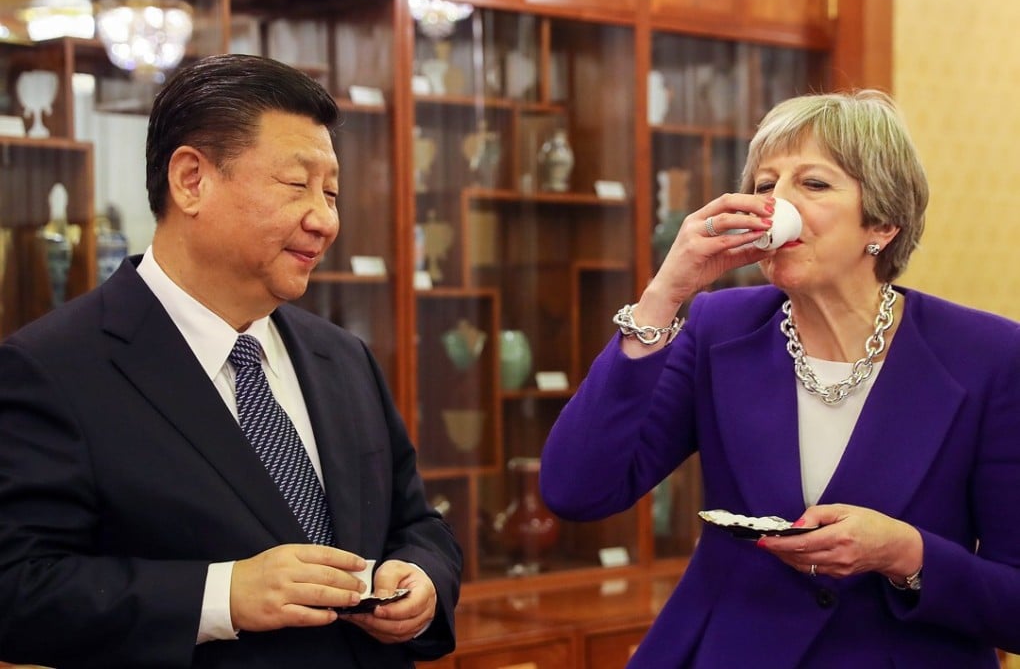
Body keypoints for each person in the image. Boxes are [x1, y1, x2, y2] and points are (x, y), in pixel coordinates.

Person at [0, 54, 462, 668]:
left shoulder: (342, 357)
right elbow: (18, 590)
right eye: (298, 185)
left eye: (332, 192)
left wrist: (423, 579)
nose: (325, 220)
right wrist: (223, 595)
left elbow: (418, 523)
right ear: (191, 180)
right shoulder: (52, 367)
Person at [540, 89, 1020, 667]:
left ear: (884, 222)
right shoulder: (719, 327)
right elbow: (577, 489)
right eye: (765, 186)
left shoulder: (989, 355)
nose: (774, 206)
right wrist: (664, 295)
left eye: (813, 184)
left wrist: (906, 554)